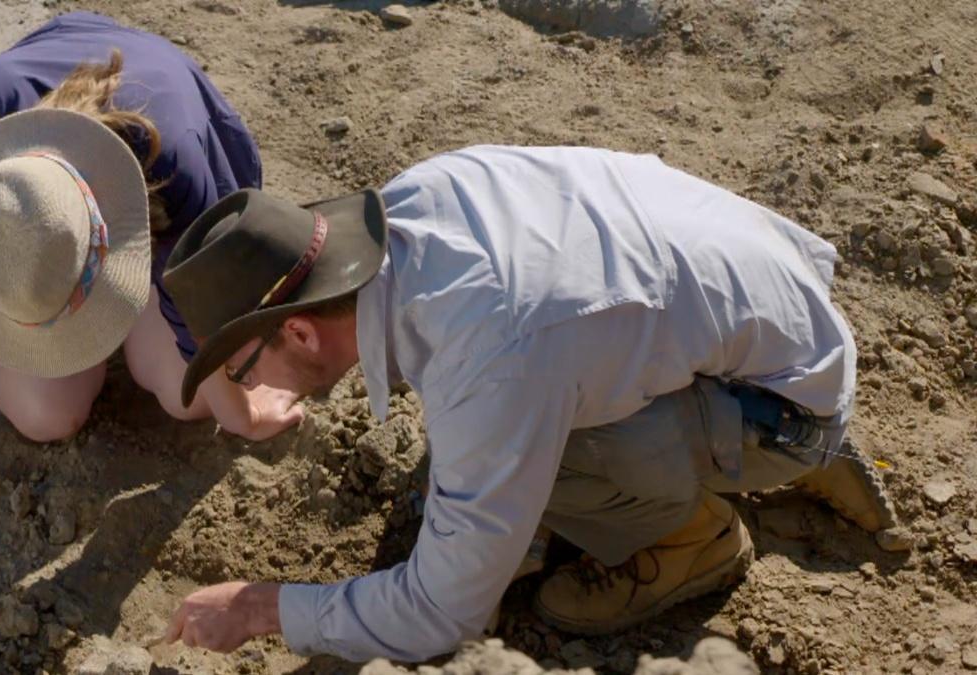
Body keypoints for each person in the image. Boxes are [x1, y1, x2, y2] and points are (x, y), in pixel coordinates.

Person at [156, 145, 897, 661]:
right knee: (488, 440)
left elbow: (442, 614)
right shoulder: (420, 203)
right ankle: (765, 432)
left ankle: (699, 536)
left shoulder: (486, 354)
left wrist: (263, 607)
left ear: (297, 328)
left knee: (521, 450)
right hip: (778, 316)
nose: (251, 387)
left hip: (785, 395)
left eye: (247, 366)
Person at [0, 12, 303, 491]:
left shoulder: (177, 170)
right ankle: (76, 305)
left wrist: (244, 416)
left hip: (161, 162)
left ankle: (133, 304)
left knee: (190, 397)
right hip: (70, 190)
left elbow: (203, 318)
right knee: (46, 414)